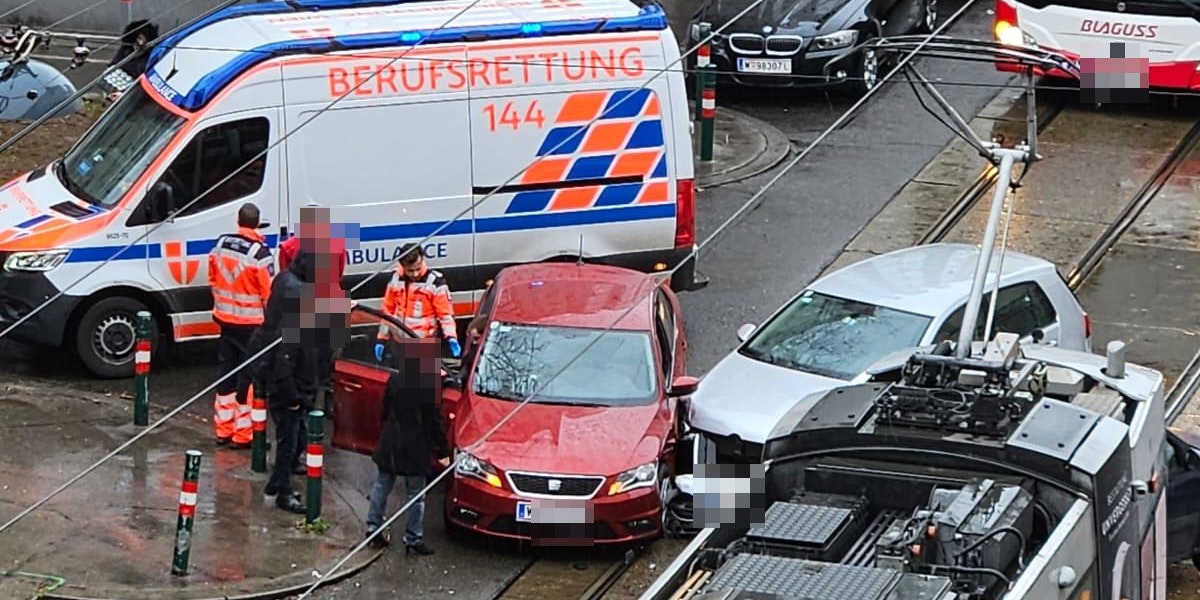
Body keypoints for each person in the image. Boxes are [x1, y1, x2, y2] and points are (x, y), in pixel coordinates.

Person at [247, 247, 320, 514]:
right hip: (287, 384)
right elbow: (286, 360)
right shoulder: (298, 311)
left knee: (295, 437)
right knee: (289, 439)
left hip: (280, 373)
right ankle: (283, 492)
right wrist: (292, 397)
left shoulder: (284, 279)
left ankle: (278, 481)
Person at [365, 337, 451, 554]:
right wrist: (442, 450)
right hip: (415, 446)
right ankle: (413, 537)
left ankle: (373, 526)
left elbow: (384, 410)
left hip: (392, 441)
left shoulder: (394, 380)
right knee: (415, 494)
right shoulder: (428, 384)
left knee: (382, 485)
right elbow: (433, 421)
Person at [208, 203, 274, 449]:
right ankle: (243, 434)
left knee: (226, 372)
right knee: (249, 377)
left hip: (225, 319)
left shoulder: (221, 244)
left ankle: (223, 430)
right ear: (257, 223)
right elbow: (268, 293)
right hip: (251, 325)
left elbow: (213, 278)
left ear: (238, 220)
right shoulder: (259, 253)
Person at [375, 244, 460, 363]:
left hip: (424, 344)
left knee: (424, 380)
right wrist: (382, 338)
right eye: (410, 270)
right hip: (400, 342)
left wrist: (451, 337)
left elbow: (445, 315)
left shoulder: (434, 282)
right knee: (401, 380)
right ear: (402, 266)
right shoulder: (395, 279)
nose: (415, 274)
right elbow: (388, 311)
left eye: (418, 269)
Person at [105, 19, 158, 103]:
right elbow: (115, 63)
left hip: (134, 89)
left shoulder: (151, 56)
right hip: (120, 84)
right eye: (138, 38)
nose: (140, 41)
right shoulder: (127, 49)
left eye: (142, 38)